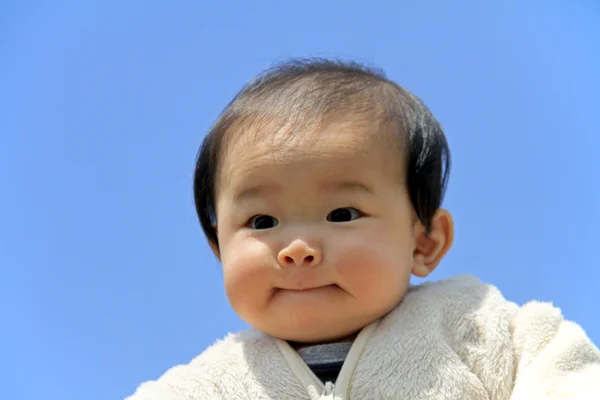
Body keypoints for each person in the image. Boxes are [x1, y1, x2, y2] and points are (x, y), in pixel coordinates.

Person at [127, 59, 600, 399]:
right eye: (262, 221)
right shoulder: (196, 386)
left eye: (342, 215)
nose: (297, 249)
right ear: (220, 249)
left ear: (424, 242)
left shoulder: (489, 331)